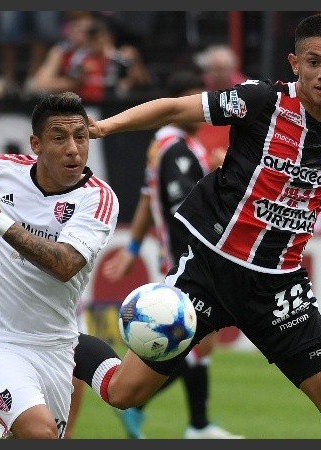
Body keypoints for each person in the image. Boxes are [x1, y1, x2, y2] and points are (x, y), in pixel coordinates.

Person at [75, 13, 321, 439]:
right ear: (294, 63)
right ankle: (62, 341)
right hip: (210, 272)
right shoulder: (259, 100)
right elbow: (177, 107)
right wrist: (104, 126)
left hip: (277, 286)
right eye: (313, 62)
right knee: (124, 392)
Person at [0, 91, 118, 439]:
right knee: (38, 433)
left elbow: (65, 264)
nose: (73, 148)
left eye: (81, 136)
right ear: (36, 144)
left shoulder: (98, 199)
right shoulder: (3, 169)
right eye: (59, 137)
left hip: (56, 346)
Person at [100, 70, 238, 439]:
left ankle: (189, 422)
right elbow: (188, 208)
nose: (200, 110)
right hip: (189, 257)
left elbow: (148, 198)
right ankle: (191, 423)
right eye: (192, 102)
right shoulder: (176, 150)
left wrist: (132, 247)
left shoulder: (165, 145)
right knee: (195, 341)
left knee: (199, 342)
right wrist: (224, 175)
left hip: (179, 255)